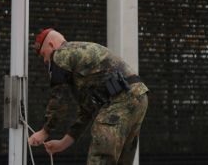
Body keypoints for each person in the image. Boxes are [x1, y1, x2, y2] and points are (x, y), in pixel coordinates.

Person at [27, 28, 149, 165]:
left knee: (100, 159)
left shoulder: (60, 54)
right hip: (138, 96)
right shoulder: (81, 60)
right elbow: (87, 110)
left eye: (44, 54)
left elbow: (59, 99)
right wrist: (62, 144)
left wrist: (45, 131)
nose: (45, 60)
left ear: (51, 45)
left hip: (119, 100)